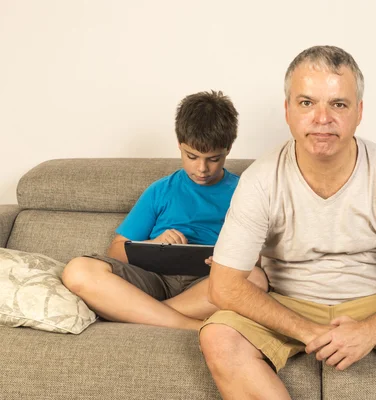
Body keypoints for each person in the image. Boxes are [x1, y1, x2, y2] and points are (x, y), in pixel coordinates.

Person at [199, 46, 376, 400]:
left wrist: (369, 331)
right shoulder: (260, 180)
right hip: (287, 303)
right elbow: (223, 287)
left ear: (359, 112)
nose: (322, 118)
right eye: (306, 103)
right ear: (287, 110)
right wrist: (309, 331)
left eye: (338, 104)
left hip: (375, 301)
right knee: (218, 336)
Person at [61, 90, 268, 331]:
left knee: (255, 278)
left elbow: (261, 257)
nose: (202, 168)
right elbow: (116, 251)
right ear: (179, 145)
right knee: (78, 270)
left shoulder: (245, 192)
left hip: (208, 284)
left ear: (228, 150)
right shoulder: (160, 190)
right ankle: (189, 325)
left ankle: (139, 311)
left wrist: (229, 259)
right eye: (192, 156)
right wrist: (153, 244)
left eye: (213, 159)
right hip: (152, 278)